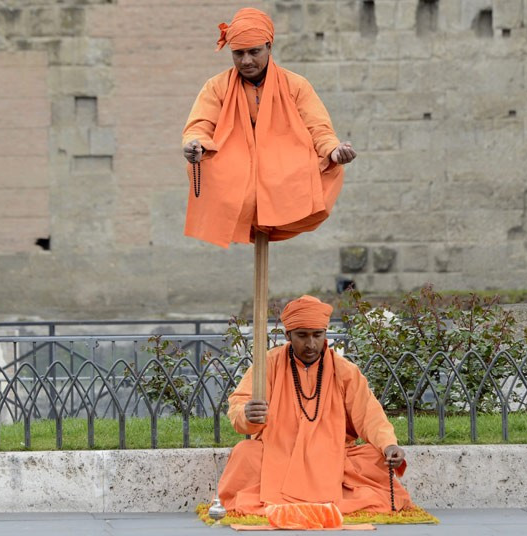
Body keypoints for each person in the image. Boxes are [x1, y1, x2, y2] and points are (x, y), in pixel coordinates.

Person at [217, 295, 414, 514]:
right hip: (280, 454)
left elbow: (369, 415)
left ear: (324, 335)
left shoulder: (344, 370)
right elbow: (240, 405)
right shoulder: (268, 365)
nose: (311, 344)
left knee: (374, 456)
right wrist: (247, 414)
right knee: (245, 452)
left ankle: (293, 501)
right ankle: (321, 502)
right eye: (302, 336)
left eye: (317, 335)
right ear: (288, 335)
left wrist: (389, 445)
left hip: (332, 456)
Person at [182, 8, 356, 248]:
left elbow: (319, 129)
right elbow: (199, 127)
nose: (246, 61)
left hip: (283, 172)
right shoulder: (216, 87)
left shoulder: (296, 85)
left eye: (254, 52)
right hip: (235, 174)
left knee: (327, 168)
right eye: (238, 53)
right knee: (204, 167)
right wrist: (195, 145)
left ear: (269, 47)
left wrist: (333, 151)